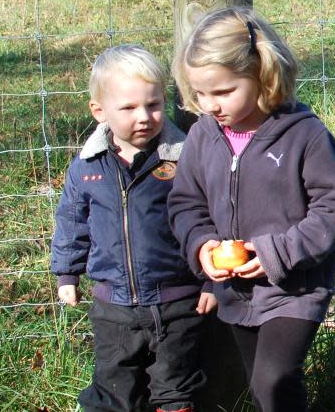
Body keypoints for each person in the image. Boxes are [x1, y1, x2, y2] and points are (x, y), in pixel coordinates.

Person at [168, 6, 335, 412]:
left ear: (262, 73)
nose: (210, 105)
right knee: (263, 388)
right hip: (235, 290)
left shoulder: (304, 135)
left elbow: (332, 207)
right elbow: (186, 203)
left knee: (274, 379)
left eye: (223, 92)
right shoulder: (203, 137)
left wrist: (276, 254)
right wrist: (202, 247)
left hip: (295, 287)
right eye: (200, 93)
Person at [50, 44, 216, 412]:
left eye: (153, 104)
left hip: (178, 302)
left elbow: (211, 218)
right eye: (128, 108)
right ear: (99, 111)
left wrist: (212, 280)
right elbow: (72, 221)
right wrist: (67, 273)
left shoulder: (185, 158)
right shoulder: (87, 168)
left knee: (176, 387)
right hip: (114, 307)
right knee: (114, 389)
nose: (144, 116)